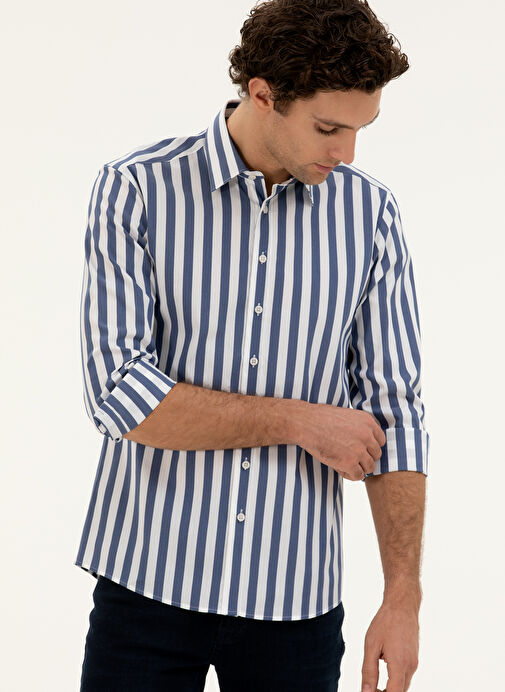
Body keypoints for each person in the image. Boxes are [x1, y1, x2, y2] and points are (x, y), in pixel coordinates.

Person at [76, 1, 429, 690]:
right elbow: (119, 394)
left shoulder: (370, 215)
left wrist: (401, 598)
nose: (347, 153)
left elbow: (397, 412)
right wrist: (300, 421)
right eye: (328, 128)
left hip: (296, 604)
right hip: (145, 587)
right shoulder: (137, 190)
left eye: (360, 130)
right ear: (262, 95)